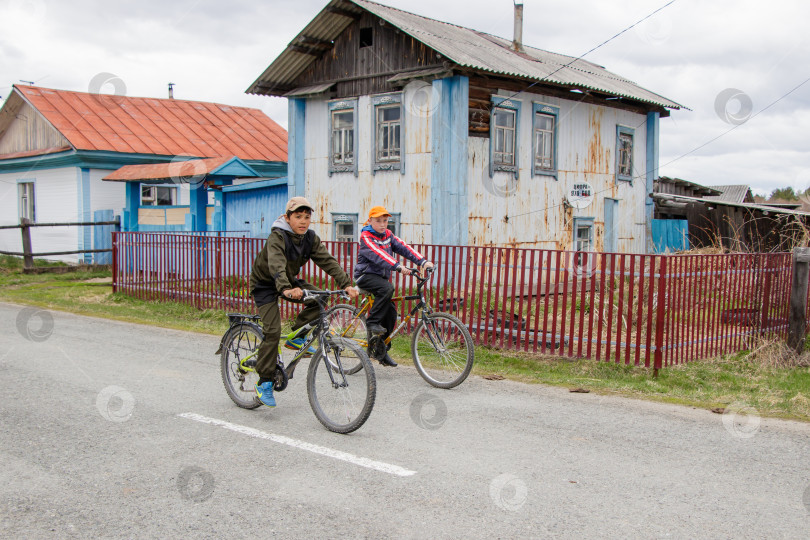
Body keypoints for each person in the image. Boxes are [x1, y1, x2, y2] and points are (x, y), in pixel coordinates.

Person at [249, 196, 358, 407]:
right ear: (287, 217)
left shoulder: (309, 238)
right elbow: (277, 265)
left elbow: (327, 261)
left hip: (289, 282)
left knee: (321, 296)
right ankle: (264, 382)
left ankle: (297, 337)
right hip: (266, 284)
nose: (303, 221)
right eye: (298, 216)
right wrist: (286, 288)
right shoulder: (277, 237)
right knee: (272, 331)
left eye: (307, 217)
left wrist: (346, 283)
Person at [354, 206, 434, 367]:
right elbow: (379, 255)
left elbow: (404, 248)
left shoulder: (388, 235)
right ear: (370, 221)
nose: (383, 224)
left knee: (391, 314)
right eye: (378, 221)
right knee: (387, 288)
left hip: (380, 279)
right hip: (365, 276)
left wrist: (423, 261)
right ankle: (372, 322)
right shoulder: (366, 236)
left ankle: (380, 351)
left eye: (385, 221)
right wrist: (397, 266)